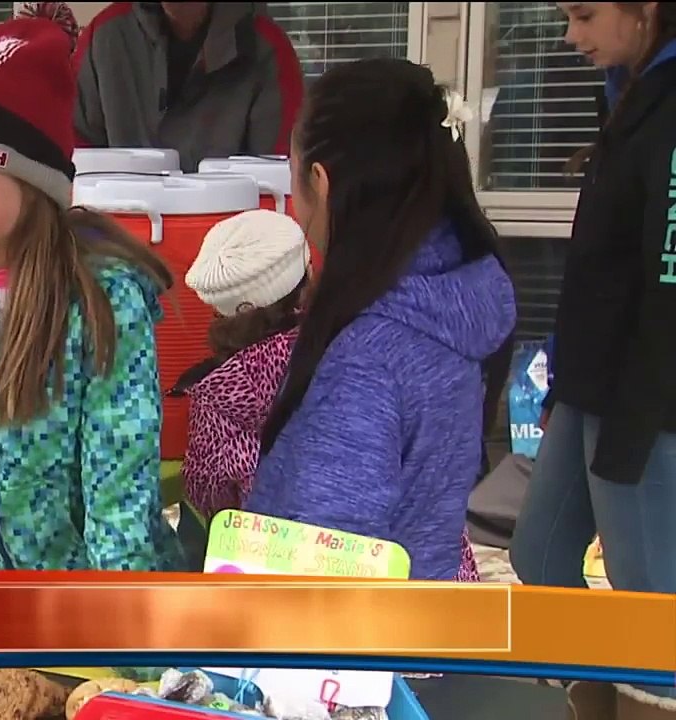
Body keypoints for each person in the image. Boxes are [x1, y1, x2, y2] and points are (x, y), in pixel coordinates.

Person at [0, 8, 182, 572]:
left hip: (92, 623)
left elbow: (120, 505)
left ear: (30, 176)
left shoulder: (104, 301)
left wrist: (119, 653)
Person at [242, 57, 517, 583]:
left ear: (320, 182)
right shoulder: (451, 303)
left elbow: (323, 567)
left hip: (346, 657)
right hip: (421, 629)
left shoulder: (371, 356)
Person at [510, 3, 676, 716]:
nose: (571, 36)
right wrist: (564, 386)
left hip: (643, 403)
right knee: (540, 560)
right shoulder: (629, 92)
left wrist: (639, 424)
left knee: (649, 606)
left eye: (584, 15)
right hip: (590, 389)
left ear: (647, 11)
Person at [172, 209, 307, 520]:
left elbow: (206, 494)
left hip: (255, 553)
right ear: (306, 280)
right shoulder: (337, 355)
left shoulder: (213, 391)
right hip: (344, 552)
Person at [73, 2, 304, 172]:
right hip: (119, 231)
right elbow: (72, 169)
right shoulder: (104, 37)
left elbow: (282, 181)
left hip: (232, 233)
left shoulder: (268, 50)